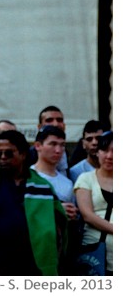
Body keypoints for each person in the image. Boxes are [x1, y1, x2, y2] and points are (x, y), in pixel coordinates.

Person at [0, 130, 68, 276]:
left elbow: (60, 225)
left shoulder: (42, 186)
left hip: (33, 266)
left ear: (23, 154)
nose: (3, 158)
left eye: (9, 153)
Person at [31, 125, 81, 274]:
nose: (58, 150)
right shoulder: (28, 177)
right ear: (38, 146)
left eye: (62, 145)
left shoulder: (67, 183)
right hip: (33, 247)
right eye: (52, 144)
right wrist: (55, 209)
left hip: (60, 249)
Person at [74, 131, 113, 276]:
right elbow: (88, 215)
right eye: (104, 150)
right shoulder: (86, 178)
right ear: (97, 152)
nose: (109, 156)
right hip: (96, 254)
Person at [28, 105, 69, 174]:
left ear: (64, 126)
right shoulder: (29, 155)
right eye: (49, 120)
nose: (55, 124)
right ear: (39, 127)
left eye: (59, 120)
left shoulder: (66, 153)